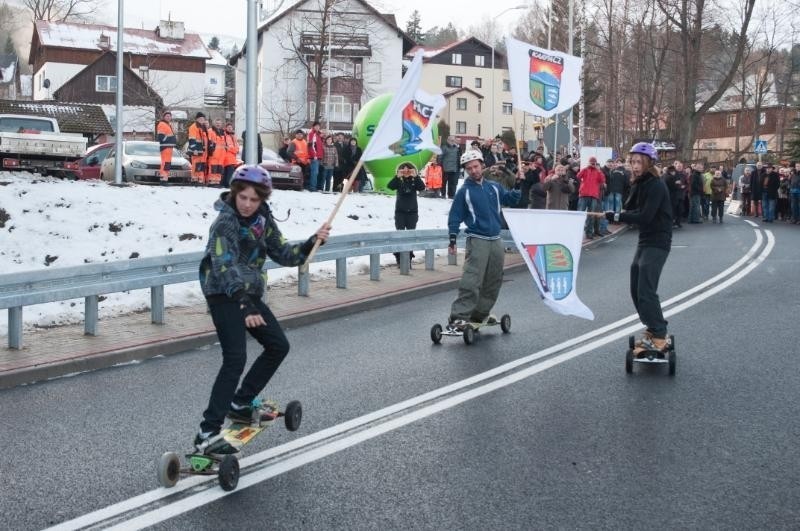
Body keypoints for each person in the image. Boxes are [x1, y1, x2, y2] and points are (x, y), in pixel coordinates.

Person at [194, 165, 331, 455]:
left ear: (262, 200)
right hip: (223, 293)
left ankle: (241, 402)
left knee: (278, 346)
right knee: (234, 359)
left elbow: (283, 252)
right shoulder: (225, 224)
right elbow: (224, 265)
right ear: (234, 194)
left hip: (249, 295)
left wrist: (311, 242)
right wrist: (243, 304)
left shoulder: (262, 221)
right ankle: (207, 432)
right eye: (242, 197)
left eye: (253, 200)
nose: (246, 204)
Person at [603, 142, 672, 355]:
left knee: (646, 290)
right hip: (645, 240)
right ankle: (651, 327)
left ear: (649, 162)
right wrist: (615, 209)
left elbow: (644, 216)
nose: (634, 166)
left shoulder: (656, 185)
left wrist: (617, 216)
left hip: (658, 240)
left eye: (638, 162)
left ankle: (659, 333)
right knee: (635, 286)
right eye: (632, 161)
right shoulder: (639, 183)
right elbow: (630, 207)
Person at [446, 150, 520, 329]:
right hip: (477, 239)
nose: (473, 170)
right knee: (472, 279)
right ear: (466, 170)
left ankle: (479, 315)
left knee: (493, 280)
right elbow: (455, 216)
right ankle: (459, 316)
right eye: (469, 168)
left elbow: (511, 198)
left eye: (476, 166)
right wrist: (453, 239)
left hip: (496, 239)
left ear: (482, 165)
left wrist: (519, 186)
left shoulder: (493, 187)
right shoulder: (464, 191)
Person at [387, 161, 426, 266]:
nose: (405, 172)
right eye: (403, 169)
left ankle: (408, 259)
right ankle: (399, 258)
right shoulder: (399, 180)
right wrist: (397, 176)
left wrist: (416, 176)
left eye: (408, 169)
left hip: (412, 212)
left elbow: (422, 188)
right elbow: (390, 186)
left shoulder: (414, 180)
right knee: (399, 235)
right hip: (400, 212)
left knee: (410, 236)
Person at [576, 156, 606, 239]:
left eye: (594, 163)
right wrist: (586, 167)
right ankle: (577, 232)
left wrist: (598, 170)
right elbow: (578, 176)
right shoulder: (585, 170)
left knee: (591, 215)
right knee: (580, 214)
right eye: (591, 162)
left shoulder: (598, 171)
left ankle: (589, 233)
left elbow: (602, 180)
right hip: (583, 195)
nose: (593, 164)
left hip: (593, 196)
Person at [187, 112, 210, 185]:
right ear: (197, 119)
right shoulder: (194, 127)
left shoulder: (201, 127)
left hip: (201, 150)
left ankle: (198, 180)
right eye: (200, 119)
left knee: (199, 165)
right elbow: (192, 139)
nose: (202, 120)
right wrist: (194, 149)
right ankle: (194, 179)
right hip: (196, 150)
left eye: (203, 119)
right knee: (195, 165)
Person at [155, 110, 176, 184]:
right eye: (167, 116)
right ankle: (163, 179)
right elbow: (161, 137)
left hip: (169, 146)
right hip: (165, 146)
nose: (169, 117)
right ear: (164, 117)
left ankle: (165, 179)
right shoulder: (162, 124)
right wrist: (169, 139)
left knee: (167, 163)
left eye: (170, 116)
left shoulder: (167, 124)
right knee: (165, 163)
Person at [206, 118, 226, 186]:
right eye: (217, 123)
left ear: (221, 124)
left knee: (219, 169)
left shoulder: (223, 132)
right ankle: (212, 182)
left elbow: (224, 143)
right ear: (214, 123)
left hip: (221, 154)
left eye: (219, 123)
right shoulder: (210, 131)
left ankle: (217, 182)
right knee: (213, 168)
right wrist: (210, 150)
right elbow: (208, 141)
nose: (218, 124)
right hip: (214, 153)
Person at [221, 123, 240, 188]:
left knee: (228, 172)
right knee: (229, 172)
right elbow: (227, 147)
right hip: (227, 157)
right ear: (226, 128)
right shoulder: (224, 135)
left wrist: (233, 150)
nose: (230, 128)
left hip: (232, 157)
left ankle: (226, 184)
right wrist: (233, 150)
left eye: (231, 127)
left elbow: (237, 148)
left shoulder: (233, 136)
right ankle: (228, 184)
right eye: (228, 127)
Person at [307, 121, 325, 191]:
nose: (317, 127)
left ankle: (317, 187)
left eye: (318, 126)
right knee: (315, 172)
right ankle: (312, 187)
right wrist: (314, 155)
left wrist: (322, 137)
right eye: (316, 126)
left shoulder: (318, 134)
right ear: (313, 126)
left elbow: (320, 146)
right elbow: (311, 146)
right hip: (314, 157)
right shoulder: (312, 133)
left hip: (319, 156)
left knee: (318, 172)